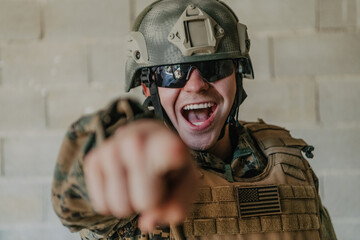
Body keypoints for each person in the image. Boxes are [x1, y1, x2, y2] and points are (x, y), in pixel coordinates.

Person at [51, 0, 337, 239]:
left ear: (237, 77)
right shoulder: (137, 175)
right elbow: (75, 202)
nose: (196, 85)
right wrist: (106, 147)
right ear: (149, 87)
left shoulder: (288, 161)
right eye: (173, 72)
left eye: (214, 67)